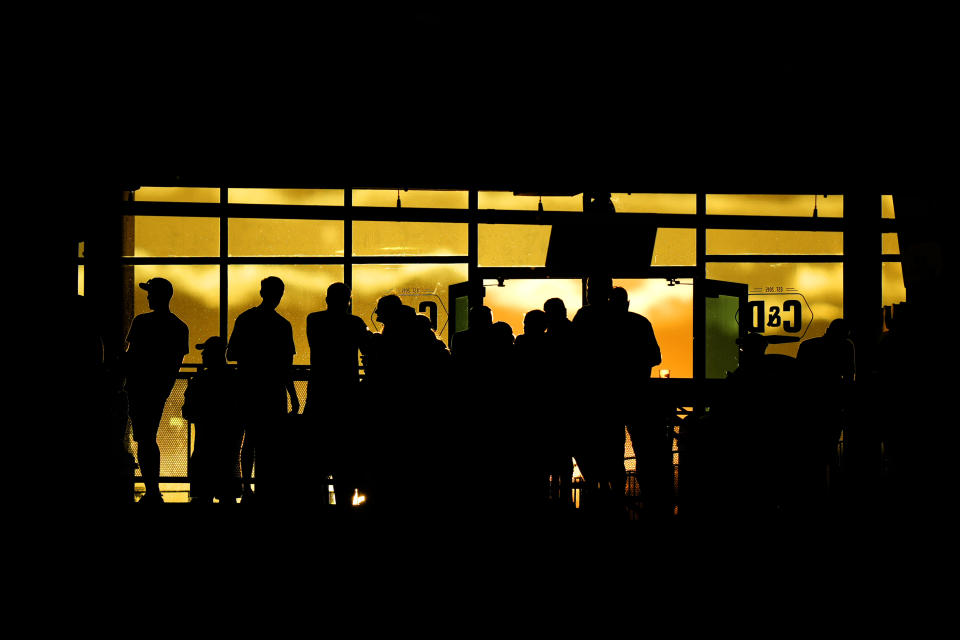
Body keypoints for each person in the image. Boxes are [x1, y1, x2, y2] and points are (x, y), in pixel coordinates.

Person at [227, 276, 299, 503]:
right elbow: (287, 366)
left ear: (261, 292)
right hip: (273, 391)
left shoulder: (246, 319)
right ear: (280, 295)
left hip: (248, 387)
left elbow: (231, 355)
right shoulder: (282, 325)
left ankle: (247, 488)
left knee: (249, 440)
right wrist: (294, 396)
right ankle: (266, 490)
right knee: (271, 444)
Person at [305, 282, 372, 512]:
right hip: (347, 396)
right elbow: (368, 350)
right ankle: (345, 505)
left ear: (326, 299)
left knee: (317, 459)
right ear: (348, 301)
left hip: (320, 394)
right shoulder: (354, 324)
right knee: (345, 458)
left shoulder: (313, 321)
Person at [123, 278, 189, 504]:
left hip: (138, 387)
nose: (148, 297)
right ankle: (153, 489)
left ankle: (152, 490)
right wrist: (164, 388)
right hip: (158, 390)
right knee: (147, 437)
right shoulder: (179, 327)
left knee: (144, 438)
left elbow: (130, 357)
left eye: (150, 293)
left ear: (157, 295)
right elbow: (174, 365)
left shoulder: (142, 322)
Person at [609, 286, 666, 518]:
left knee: (612, 451)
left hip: (609, 397)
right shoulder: (640, 323)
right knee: (643, 449)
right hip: (637, 396)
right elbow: (655, 357)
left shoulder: (602, 325)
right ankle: (648, 501)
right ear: (628, 302)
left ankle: (615, 499)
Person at [182, 336, 243, 503]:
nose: (202, 355)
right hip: (229, 443)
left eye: (205, 352)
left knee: (202, 493)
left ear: (212, 354)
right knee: (228, 491)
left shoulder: (201, 380)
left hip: (205, 442)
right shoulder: (236, 378)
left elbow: (187, 412)